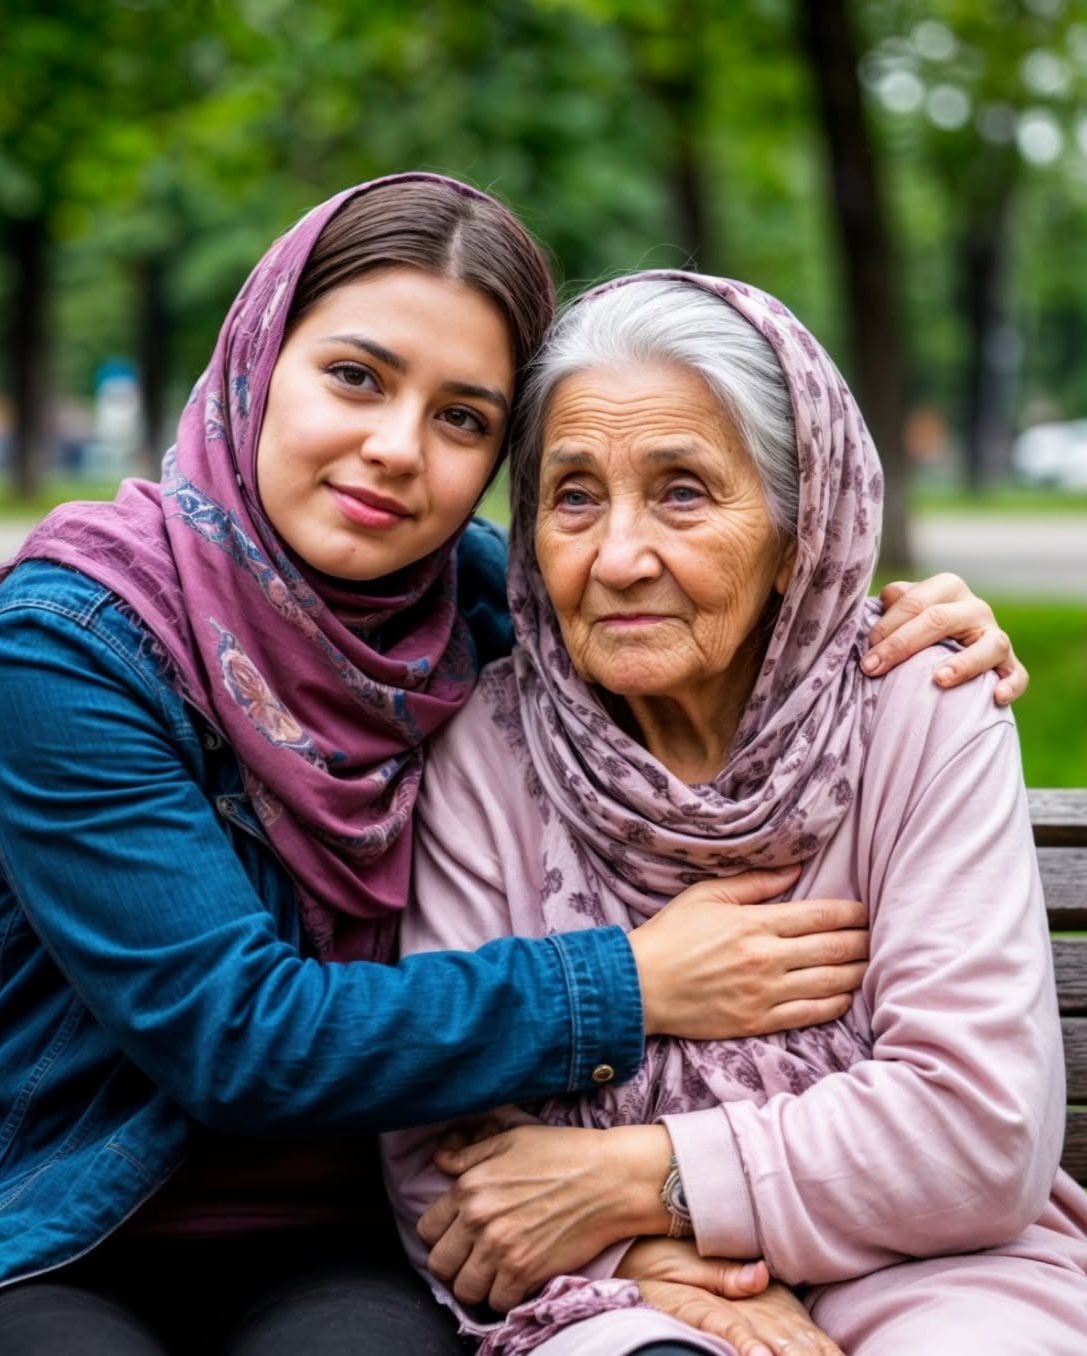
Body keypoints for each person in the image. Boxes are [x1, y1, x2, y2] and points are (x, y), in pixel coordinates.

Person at [0, 174, 1025, 1356]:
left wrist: (903, 626)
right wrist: (632, 984)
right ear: (255, 363)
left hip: (348, 1237)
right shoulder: (75, 641)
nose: (394, 449)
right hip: (53, 1222)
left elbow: (724, 597)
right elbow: (232, 1037)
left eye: (463, 418)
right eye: (354, 377)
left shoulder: (488, 611)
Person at [382, 271, 1087, 1355]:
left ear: (800, 530)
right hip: (612, 1292)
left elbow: (976, 1131)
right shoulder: (486, 747)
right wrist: (647, 1257)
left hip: (941, 1268)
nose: (617, 558)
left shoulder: (920, 707)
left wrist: (637, 1180)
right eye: (572, 496)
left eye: (680, 492)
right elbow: (450, 1161)